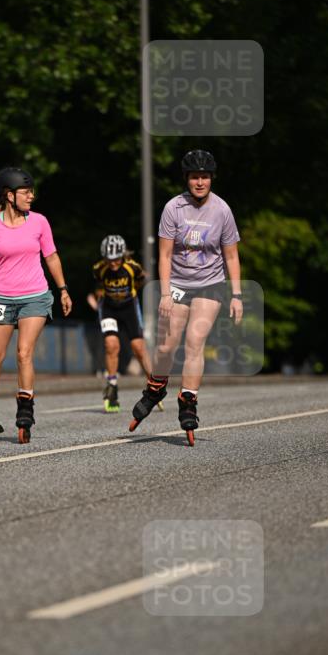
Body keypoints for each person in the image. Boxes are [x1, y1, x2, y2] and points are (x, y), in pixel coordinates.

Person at [129, 149, 244, 445]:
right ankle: (155, 388)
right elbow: (164, 254)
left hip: (210, 284)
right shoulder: (173, 208)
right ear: (187, 179)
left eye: (205, 176)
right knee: (167, 346)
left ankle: (188, 400)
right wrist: (165, 293)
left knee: (195, 340)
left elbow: (231, 256)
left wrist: (237, 295)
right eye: (195, 177)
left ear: (212, 178)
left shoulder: (222, 210)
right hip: (178, 283)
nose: (200, 182)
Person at [0, 167, 72, 444]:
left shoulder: (40, 222)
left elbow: (51, 257)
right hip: (2, 298)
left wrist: (63, 289)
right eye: (26, 192)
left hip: (35, 296)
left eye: (31, 191)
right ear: (9, 195)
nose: (32, 196)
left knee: (23, 352)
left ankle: (25, 410)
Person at [87, 234, 158, 413]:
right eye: (109, 259)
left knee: (138, 348)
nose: (113, 263)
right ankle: (112, 387)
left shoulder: (132, 267)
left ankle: (155, 386)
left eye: (116, 259)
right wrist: (97, 297)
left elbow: (142, 279)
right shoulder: (99, 268)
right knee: (111, 345)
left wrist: (131, 291)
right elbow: (97, 287)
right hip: (109, 308)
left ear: (123, 255)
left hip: (129, 308)